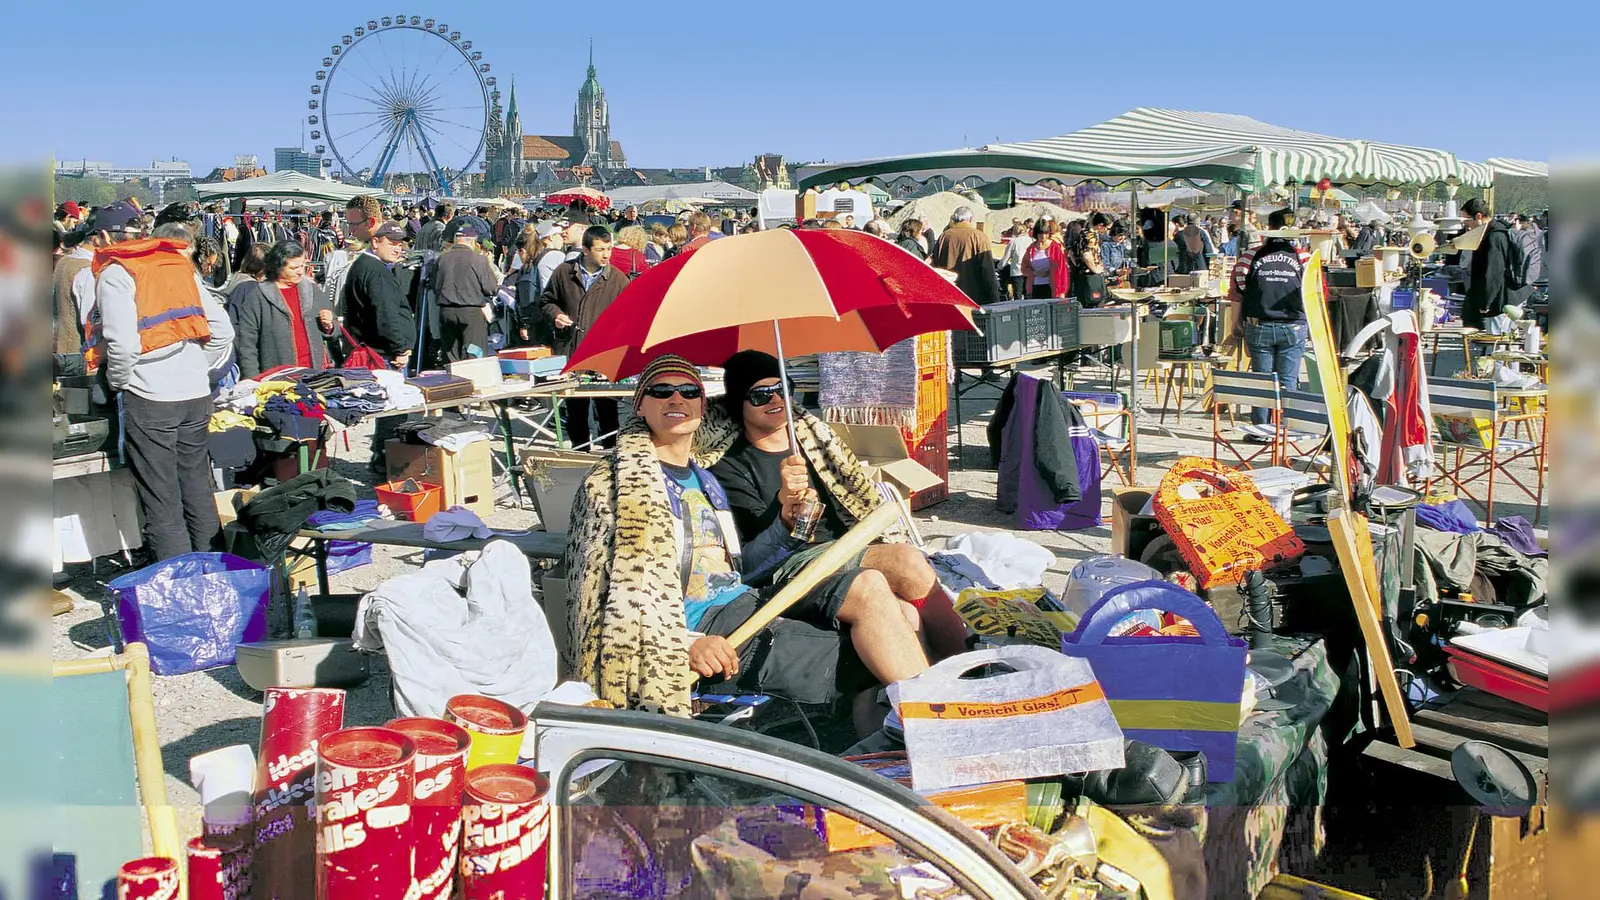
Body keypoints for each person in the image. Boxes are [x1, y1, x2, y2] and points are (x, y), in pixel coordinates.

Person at [567, 355, 930, 729]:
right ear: (639, 406)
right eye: (661, 391)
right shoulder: (616, 487)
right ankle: (931, 728)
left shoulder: (704, 480)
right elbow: (601, 604)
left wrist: (786, 523)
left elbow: (743, 570)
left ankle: (907, 733)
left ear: (702, 406)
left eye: (689, 391)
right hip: (699, 630)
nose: (676, 399)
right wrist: (686, 643)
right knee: (875, 653)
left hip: (746, 602)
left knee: (896, 611)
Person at [87, 200, 234, 561]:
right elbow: (223, 330)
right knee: (197, 488)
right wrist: (197, 367)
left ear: (103, 237)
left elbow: (122, 345)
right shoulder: (176, 262)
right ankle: (214, 571)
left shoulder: (116, 272)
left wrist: (118, 381)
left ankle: (177, 581)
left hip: (150, 397)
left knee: (161, 497)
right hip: (195, 394)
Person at [542, 225, 629, 449]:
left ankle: (610, 453)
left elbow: (629, 316)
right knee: (576, 410)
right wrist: (556, 315)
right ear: (586, 250)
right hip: (571, 350)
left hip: (604, 354)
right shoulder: (564, 272)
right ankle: (580, 453)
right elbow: (546, 301)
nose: (607, 255)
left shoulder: (618, 279)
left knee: (607, 410)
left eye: (609, 249)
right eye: (601, 250)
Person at [1226, 208, 1311, 427]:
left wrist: (1235, 324)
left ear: (1269, 227)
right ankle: (1284, 429)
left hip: (1259, 324)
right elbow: (1316, 294)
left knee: (1262, 381)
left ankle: (1261, 429)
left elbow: (1237, 293)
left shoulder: (1249, 256)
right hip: (1293, 325)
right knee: (1288, 381)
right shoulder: (1304, 258)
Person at [230, 241, 334, 379]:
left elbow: (334, 329)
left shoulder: (311, 290)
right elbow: (247, 345)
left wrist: (329, 325)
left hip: (315, 375)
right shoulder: (258, 296)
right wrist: (253, 380)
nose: (300, 271)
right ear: (278, 266)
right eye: (294, 267)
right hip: (278, 378)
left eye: (302, 265)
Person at [432, 219, 499, 361]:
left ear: (456, 240)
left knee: (451, 356)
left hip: (446, 311)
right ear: (473, 241)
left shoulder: (441, 259)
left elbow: (434, 285)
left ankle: (453, 375)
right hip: (471, 312)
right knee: (473, 354)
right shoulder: (478, 260)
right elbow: (491, 288)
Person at [1461, 198, 1521, 329]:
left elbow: (1493, 273)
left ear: (1479, 216)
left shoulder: (1494, 237)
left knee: (1495, 338)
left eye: (1467, 219)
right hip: (1507, 297)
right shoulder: (1495, 230)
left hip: (1501, 300)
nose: (1466, 224)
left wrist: (1486, 302)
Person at [931, 206, 1002, 306]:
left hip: (950, 294)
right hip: (974, 296)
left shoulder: (944, 236)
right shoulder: (979, 236)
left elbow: (936, 264)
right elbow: (987, 269)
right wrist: (994, 298)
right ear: (971, 219)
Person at [999, 221, 1033, 299]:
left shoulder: (1013, 242)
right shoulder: (1032, 241)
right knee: (1029, 295)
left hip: (1017, 271)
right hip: (1029, 271)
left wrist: (999, 267)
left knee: (1018, 296)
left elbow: (1006, 257)